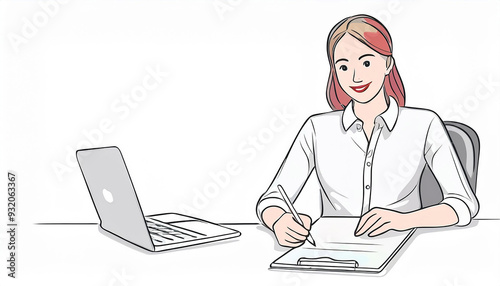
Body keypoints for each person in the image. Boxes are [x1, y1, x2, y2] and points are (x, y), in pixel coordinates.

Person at [255, 14, 479, 248]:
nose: (355, 77)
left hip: (405, 250)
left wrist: (403, 220)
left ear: (388, 64)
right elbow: (272, 199)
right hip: (334, 251)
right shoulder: (317, 129)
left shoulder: (424, 123)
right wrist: (280, 221)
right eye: (343, 66)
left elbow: (463, 204)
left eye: (366, 62)